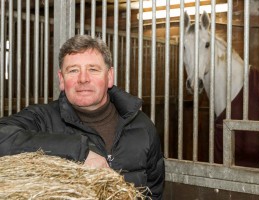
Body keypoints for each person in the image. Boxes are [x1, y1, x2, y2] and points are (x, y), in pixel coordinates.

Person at [0, 35, 165, 199]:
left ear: (109, 76)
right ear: (62, 80)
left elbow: (154, 193)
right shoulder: (42, 118)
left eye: (93, 69)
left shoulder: (143, 127)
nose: (83, 79)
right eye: (73, 70)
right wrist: (79, 151)